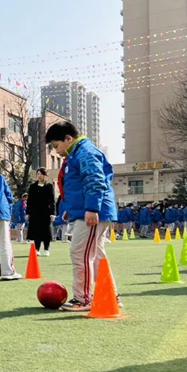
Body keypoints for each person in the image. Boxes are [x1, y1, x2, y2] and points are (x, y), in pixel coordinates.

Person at [45, 121, 119, 312]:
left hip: (93, 211)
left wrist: (92, 208)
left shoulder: (85, 152)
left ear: (68, 139)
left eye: (56, 146)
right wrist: (70, 208)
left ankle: (83, 298)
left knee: (80, 254)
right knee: (96, 255)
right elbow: (75, 186)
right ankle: (109, 294)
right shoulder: (76, 154)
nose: (56, 151)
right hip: (88, 209)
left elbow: (94, 179)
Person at [26, 168, 56, 256]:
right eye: (38, 174)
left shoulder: (49, 186)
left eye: (41, 174)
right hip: (35, 212)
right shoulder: (32, 187)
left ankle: (46, 249)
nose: (39, 175)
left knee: (46, 231)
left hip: (46, 212)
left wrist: (53, 213)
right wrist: (28, 213)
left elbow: (52, 201)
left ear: (45, 175)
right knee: (36, 231)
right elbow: (29, 201)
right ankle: (37, 249)